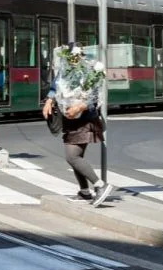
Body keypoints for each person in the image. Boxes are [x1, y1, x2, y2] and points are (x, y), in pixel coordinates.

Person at [42, 44, 113, 207]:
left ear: (81, 56)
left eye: (76, 57)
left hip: (84, 120)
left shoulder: (88, 72)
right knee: (75, 158)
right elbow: (55, 87)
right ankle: (84, 192)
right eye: (69, 57)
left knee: (72, 157)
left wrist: (79, 107)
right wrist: (49, 100)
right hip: (70, 119)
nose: (73, 60)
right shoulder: (64, 71)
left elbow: (93, 96)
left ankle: (100, 186)